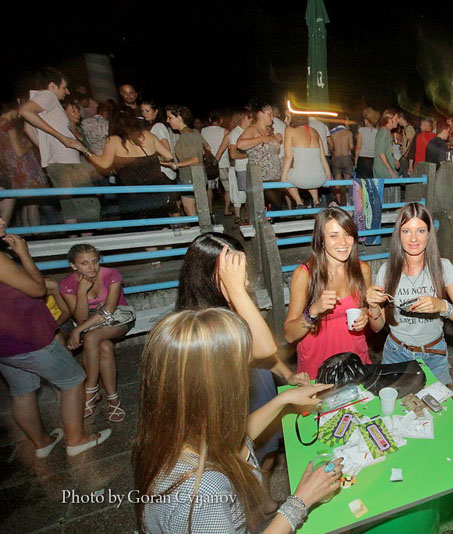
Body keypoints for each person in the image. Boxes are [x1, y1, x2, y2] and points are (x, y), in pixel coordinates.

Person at [133, 308, 343, 534]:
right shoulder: (203, 492)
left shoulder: (169, 433)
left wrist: (284, 399)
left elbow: (236, 438)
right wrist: (301, 501)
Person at [175, 232, 309, 508]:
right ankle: (252, 509)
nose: (245, 282)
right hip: (233, 401)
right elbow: (263, 346)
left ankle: (266, 501)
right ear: (207, 276)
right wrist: (236, 292)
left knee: (268, 453)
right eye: (235, 274)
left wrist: (287, 375)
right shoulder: (200, 325)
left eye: (243, 272)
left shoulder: (238, 301)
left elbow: (265, 352)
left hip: (258, 383)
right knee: (244, 463)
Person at [0, 220, 111, 457]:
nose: (2, 221)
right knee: (73, 381)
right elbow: (38, 290)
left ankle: (42, 443)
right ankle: (77, 440)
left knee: (22, 391)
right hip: (27, 336)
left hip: (5, 342)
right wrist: (24, 254)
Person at [366, 203, 453, 384]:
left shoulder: (443, 267)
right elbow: (377, 327)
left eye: (420, 231)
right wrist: (372, 306)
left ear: (429, 234)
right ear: (398, 235)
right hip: (396, 352)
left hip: (434, 354)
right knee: (395, 402)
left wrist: (443, 306)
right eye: (406, 231)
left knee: (437, 402)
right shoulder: (386, 271)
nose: (413, 238)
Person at [284, 207, 371, 379]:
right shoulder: (304, 274)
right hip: (317, 365)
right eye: (334, 235)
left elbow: (365, 308)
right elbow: (289, 335)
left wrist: (365, 314)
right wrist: (313, 311)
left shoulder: (362, 270)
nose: (343, 242)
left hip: (354, 359)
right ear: (321, 240)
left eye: (347, 234)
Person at [59, 244, 132, 423]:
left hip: (118, 318)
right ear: (73, 265)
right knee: (105, 347)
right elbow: (80, 317)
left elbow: (109, 310)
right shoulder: (67, 284)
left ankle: (90, 390)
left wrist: (77, 330)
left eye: (95, 261)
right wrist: (81, 291)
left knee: (92, 337)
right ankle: (113, 399)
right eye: (84, 263)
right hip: (89, 323)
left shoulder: (111, 275)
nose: (91, 267)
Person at [19, 67, 100, 225]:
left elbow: (27, 129)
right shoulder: (47, 96)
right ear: (52, 86)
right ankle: (88, 240)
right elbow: (24, 111)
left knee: (70, 209)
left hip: (55, 163)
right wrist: (61, 137)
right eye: (64, 87)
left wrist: (46, 149)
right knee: (88, 209)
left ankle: (74, 239)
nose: (67, 92)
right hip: (68, 163)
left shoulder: (36, 98)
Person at [74, 110, 176, 218]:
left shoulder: (113, 140)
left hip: (130, 194)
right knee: (157, 222)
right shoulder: (148, 135)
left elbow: (104, 164)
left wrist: (85, 150)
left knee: (134, 224)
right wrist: (153, 159)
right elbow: (169, 156)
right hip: (153, 192)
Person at [0, 102, 47, 226]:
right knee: (33, 205)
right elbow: (19, 152)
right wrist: (32, 142)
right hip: (24, 170)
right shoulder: (9, 126)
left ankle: (27, 234)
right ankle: (36, 234)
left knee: (26, 205)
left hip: (9, 169)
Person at [237, 100, 284, 211]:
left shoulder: (269, 130)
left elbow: (272, 152)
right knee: (275, 205)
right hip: (261, 177)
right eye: (269, 114)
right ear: (260, 114)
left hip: (275, 176)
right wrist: (260, 139)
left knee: (275, 209)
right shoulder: (253, 129)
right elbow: (240, 144)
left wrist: (277, 140)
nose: (272, 117)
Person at [280, 113, 331, 209]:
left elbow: (288, 157)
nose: (285, 120)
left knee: (287, 175)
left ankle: (299, 203)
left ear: (293, 118)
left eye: (287, 117)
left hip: (301, 180)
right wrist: (329, 176)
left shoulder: (289, 130)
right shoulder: (315, 131)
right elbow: (323, 157)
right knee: (309, 172)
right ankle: (316, 201)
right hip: (320, 179)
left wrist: (283, 177)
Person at [166, 105, 209, 217]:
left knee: (189, 209)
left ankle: (196, 228)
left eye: (170, 117)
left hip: (189, 176)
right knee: (200, 209)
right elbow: (207, 148)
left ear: (179, 117)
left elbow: (195, 159)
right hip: (200, 174)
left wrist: (176, 165)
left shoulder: (185, 136)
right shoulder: (195, 132)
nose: (168, 121)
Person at [201, 111, 232, 214]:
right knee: (228, 188)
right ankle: (226, 210)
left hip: (209, 165)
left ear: (210, 119)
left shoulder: (203, 131)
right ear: (221, 120)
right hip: (223, 163)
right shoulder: (226, 131)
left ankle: (210, 210)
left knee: (209, 188)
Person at [141, 100, 178, 183]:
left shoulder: (158, 127)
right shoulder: (157, 126)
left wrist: (152, 160)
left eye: (147, 111)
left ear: (156, 111)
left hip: (163, 172)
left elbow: (167, 153)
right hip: (164, 172)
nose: (144, 114)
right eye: (142, 111)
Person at [373, 108, 401, 212]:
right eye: (396, 119)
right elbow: (381, 153)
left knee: (388, 198)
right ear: (390, 120)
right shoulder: (384, 132)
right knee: (390, 198)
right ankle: (390, 217)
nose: (398, 121)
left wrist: (393, 160)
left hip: (384, 169)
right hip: (384, 171)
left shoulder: (385, 132)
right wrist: (390, 169)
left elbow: (384, 151)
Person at [228, 109, 253, 224]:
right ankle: (245, 218)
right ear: (244, 118)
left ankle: (248, 217)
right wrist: (248, 155)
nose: (252, 119)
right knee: (245, 194)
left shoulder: (247, 131)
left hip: (248, 167)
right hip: (242, 168)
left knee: (249, 194)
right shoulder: (236, 133)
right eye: (250, 117)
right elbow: (233, 154)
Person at [329, 121, 354, 204]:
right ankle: (348, 203)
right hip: (347, 158)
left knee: (337, 182)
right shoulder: (348, 133)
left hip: (336, 158)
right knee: (348, 182)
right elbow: (351, 146)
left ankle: (339, 203)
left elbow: (331, 148)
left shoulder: (332, 134)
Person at [354, 108, 379, 179]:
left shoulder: (361, 130)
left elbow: (358, 147)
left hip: (363, 159)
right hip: (373, 160)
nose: (364, 120)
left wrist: (356, 160)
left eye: (365, 119)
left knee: (362, 182)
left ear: (368, 120)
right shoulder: (378, 131)